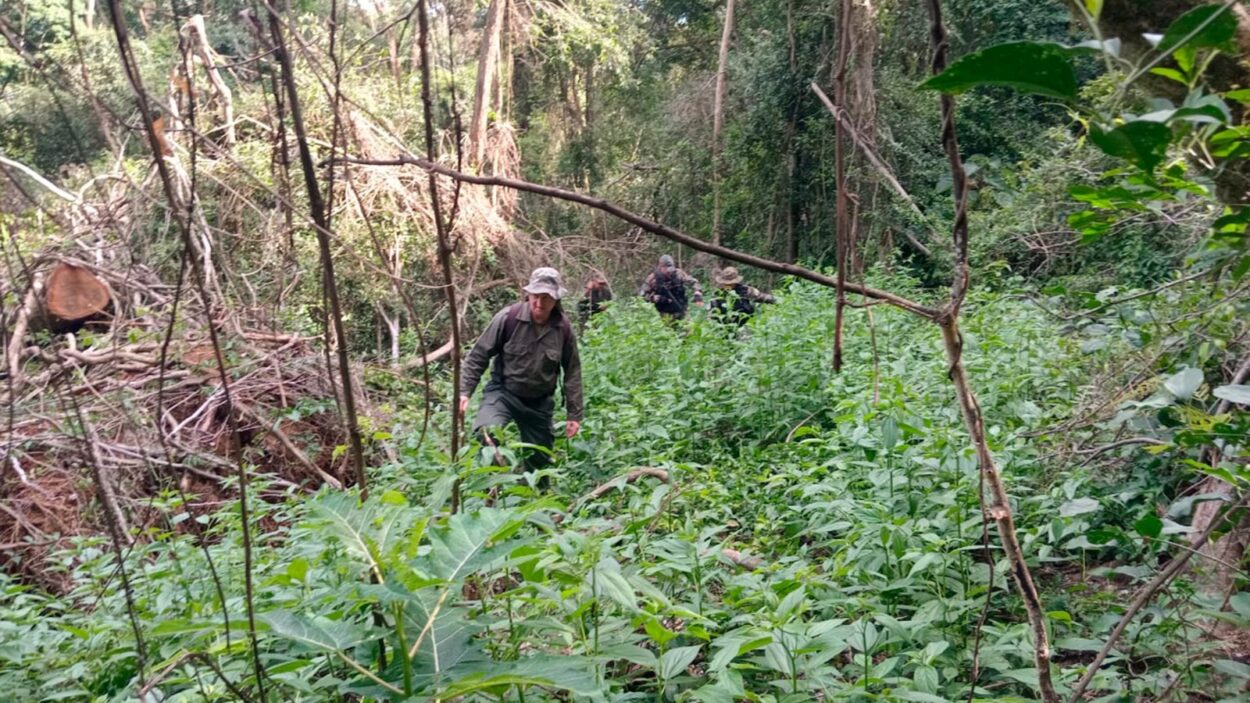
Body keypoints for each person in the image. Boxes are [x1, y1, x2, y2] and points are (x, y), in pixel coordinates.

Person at [459, 267, 582, 471]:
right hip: (503, 393)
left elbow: (572, 372)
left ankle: (535, 496)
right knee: (487, 432)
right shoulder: (508, 318)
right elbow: (479, 354)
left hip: (539, 403)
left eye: (546, 297)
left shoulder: (564, 330)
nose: (539, 303)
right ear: (528, 294)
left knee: (540, 465)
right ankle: (493, 487)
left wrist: (574, 414)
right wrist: (464, 392)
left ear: (556, 299)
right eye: (535, 296)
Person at [639, 254, 703, 320]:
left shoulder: (678, 274)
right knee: (668, 329)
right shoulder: (653, 279)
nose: (669, 272)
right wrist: (655, 298)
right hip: (665, 315)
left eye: (671, 269)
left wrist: (697, 293)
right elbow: (642, 295)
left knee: (691, 329)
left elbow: (694, 282)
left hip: (682, 310)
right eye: (667, 270)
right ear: (661, 267)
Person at [709, 266, 775, 326]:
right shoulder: (717, 295)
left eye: (730, 284)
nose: (728, 285)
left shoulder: (745, 290)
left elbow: (763, 297)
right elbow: (712, 314)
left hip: (745, 326)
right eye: (725, 284)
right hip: (724, 326)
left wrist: (778, 301)